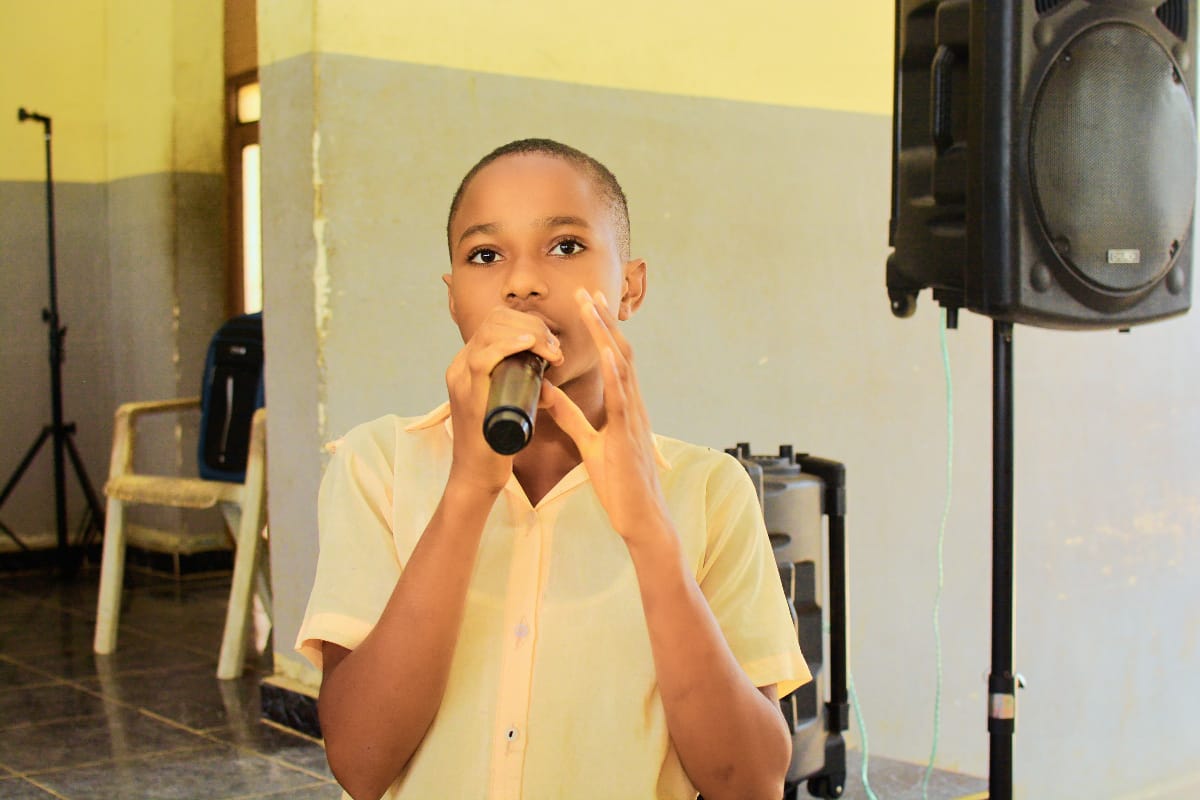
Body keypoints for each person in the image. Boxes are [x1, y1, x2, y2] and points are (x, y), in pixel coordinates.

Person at [296, 138, 811, 800]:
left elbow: (751, 783)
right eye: (486, 255)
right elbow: (360, 762)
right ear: (453, 298)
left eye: (565, 246)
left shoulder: (709, 490)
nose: (521, 283)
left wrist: (651, 534)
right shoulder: (379, 465)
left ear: (630, 287)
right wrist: (467, 492)